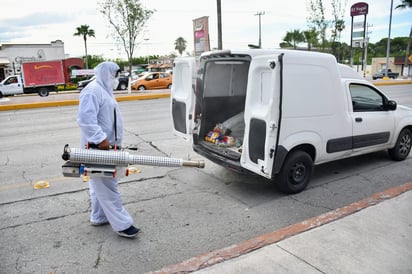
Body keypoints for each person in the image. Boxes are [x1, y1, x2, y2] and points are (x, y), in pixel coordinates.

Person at [77, 61, 139, 238]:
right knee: (108, 187)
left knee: (99, 184)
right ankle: (122, 225)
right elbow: (85, 120)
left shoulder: (103, 90)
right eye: (114, 75)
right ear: (106, 73)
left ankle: (98, 216)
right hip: (99, 148)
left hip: (107, 147)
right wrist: (100, 139)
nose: (115, 79)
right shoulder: (92, 91)